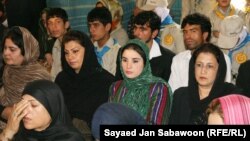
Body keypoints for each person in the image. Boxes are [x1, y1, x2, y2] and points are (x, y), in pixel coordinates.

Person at [55, 30, 114, 138]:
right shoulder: (62, 79)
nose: (70, 57)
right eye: (66, 53)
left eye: (75, 51)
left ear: (87, 51)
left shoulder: (105, 81)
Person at [169, 43, 243, 125]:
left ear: (219, 70)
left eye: (209, 66)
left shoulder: (231, 97)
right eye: (199, 65)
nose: (203, 71)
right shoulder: (180, 95)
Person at [110, 39, 172, 125]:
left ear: (145, 63)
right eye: (124, 60)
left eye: (135, 61)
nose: (128, 66)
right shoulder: (116, 87)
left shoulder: (158, 88)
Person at [0, 26, 51, 129]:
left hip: (28, 129)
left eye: (12, 49)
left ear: (27, 50)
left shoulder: (39, 76)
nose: (6, 53)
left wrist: (4, 111)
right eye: (5, 48)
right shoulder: (8, 69)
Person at [0, 79, 85, 140]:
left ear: (52, 107)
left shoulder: (70, 138)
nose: (25, 111)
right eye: (23, 104)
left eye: (33, 105)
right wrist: (8, 131)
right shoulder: (23, 131)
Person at [168, 13, 232, 93]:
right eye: (185, 32)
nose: (188, 36)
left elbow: (225, 91)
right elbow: (173, 92)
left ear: (205, 35)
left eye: (193, 31)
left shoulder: (222, 59)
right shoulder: (178, 59)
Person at [116, 11, 175, 82]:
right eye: (135, 28)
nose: (136, 33)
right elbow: (119, 84)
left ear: (154, 33)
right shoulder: (123, 52)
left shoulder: (168, 59)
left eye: (142, 29)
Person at [87, 7, 121, 76]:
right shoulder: (90, 48)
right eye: (90, 25)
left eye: (96, 25)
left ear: (107, 27)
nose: (91, 30)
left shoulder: (117, 51)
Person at [217, 15, 250, 83]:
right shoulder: (219, 47)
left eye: (230, 39)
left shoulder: (248, 48)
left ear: (241, 35)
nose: (227, 45)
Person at [46, 7, 70, 80]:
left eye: (58, 22)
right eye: (50, 23)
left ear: (66, 24)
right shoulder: (56, 45)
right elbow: (54, 74)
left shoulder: (74, 44)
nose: (54, 27)